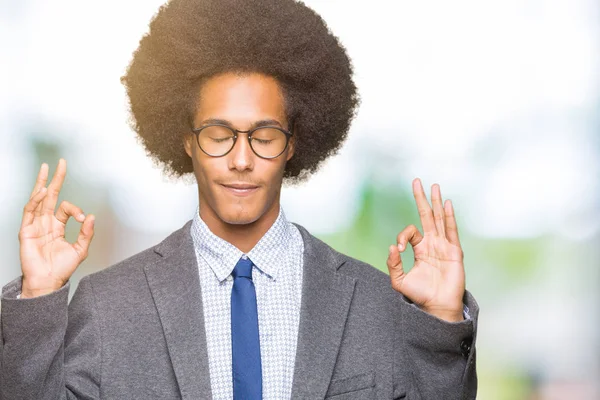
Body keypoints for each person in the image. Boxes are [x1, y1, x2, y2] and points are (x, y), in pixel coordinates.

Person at [0, 0, 478, 399]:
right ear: (185, 141)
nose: (242, 159)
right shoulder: (109, 305)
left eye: (265, 136)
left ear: (293, 142)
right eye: (219, 134)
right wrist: (39, 294)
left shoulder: (374, 303)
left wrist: (439, 322)